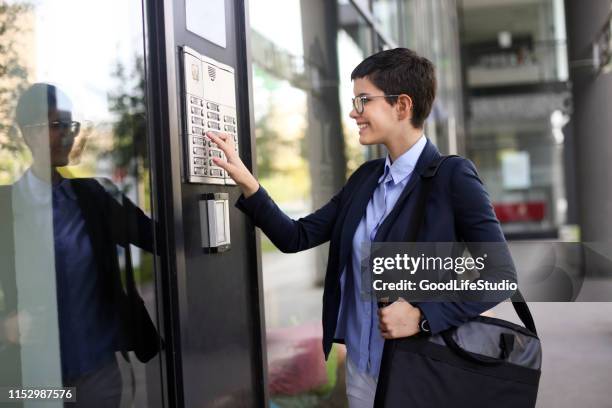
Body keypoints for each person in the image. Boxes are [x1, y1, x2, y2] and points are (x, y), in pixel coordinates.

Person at [208, 48, 514, 407]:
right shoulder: (366, 178)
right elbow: (295, 237)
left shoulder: (451, 177)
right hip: (362, 371)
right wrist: (248, 183)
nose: (354, 112)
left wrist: (423, 315)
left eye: (363, 100)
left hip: (421, 373)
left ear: (402, 106)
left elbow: (500, 274)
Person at [0, 83, 160, 407]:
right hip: (35, 374)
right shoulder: (5, 206)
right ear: (27, 133)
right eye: (55, 125)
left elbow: (157, 238)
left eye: (70, 125)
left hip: (97, 373)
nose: (67, 135)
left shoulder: (93, 197)